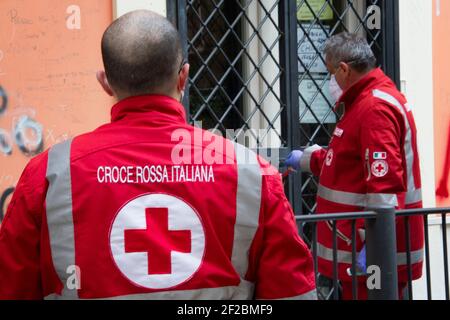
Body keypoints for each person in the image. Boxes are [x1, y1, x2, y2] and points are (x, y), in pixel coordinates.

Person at [0, 10, 316, 300]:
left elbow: (12, 287)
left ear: (105, 82)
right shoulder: (252, 173)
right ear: (184, 77)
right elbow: (290, 292)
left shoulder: (49, 175)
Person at [285, 32, 424, 300]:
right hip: (361, 250)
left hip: (368, 255)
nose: (330, 81)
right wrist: (308, 159)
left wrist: (372, 242)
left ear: (344, 69)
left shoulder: (373, 108)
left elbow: (384, 184)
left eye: (330, 73)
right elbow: (351, 162)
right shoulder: (367, 101)